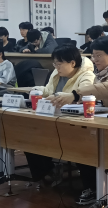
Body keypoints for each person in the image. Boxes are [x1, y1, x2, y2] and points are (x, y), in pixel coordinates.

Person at [24, 46, 96, 188]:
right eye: (55, 64)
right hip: (53, 117)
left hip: (72, 122)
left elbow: (82, 96)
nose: (56, 67)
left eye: (59, 64)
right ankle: (46, 173)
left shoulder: (87, 76)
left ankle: (51, 172)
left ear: (72, 63)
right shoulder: (57, 73)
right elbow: (48, 90)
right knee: (29, 137)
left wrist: (59, 97)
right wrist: (36, 90)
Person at [49, 36, 108, 109]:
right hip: (106, 115)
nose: (94, 60)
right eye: (93, 56)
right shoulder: (100, 73)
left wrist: (75, 95)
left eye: (98, 56)